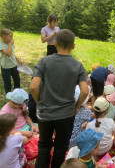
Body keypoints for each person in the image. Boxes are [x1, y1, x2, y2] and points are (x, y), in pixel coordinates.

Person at [30, 29, 89, 168]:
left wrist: (39, 102)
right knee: (61, 147)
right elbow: (85, 91)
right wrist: (76, 106)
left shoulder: (44, 61)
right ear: (73, 46)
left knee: (44, 145)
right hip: (66, 114)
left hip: (45, 113)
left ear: (55, 43)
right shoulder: (78, 65)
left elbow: (33, 87)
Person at [0, 28, 22, 94]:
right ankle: (9, 96)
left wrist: (18, 59)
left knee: (17, 80)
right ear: (4, 36)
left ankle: (17, 94)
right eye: (10, 37)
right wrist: (10, 44)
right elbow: (8, 54)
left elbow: (12, 53)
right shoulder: (1, 45)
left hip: (13, 65)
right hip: (6, 67)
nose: (11, 38)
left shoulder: (10, 43)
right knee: (7, 83)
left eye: (12, 37)